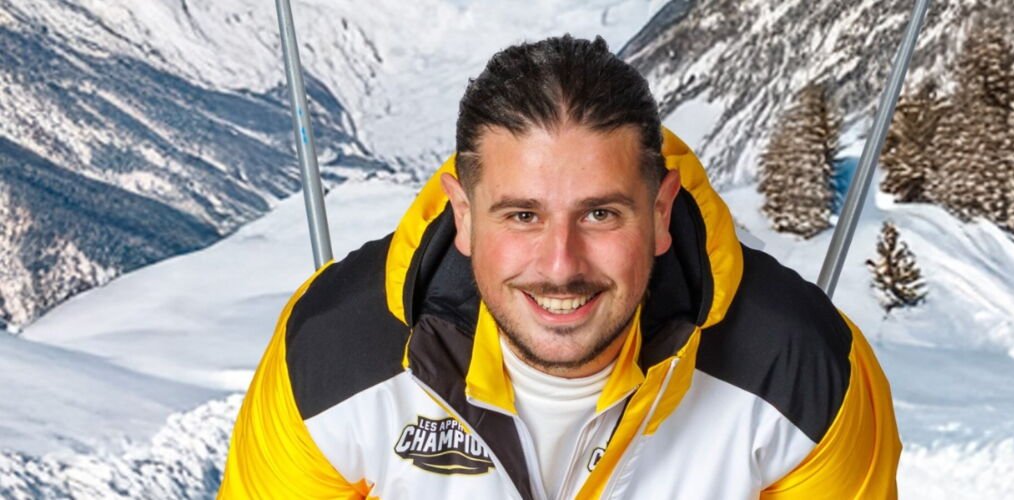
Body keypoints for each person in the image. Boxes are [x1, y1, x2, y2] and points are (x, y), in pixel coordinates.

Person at [219, 35, 900, 499]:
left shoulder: (801, 372)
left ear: (661, 211)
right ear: (463, 215)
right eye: (522, 215)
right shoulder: (333, 359)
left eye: (600, 214)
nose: (560, 264)